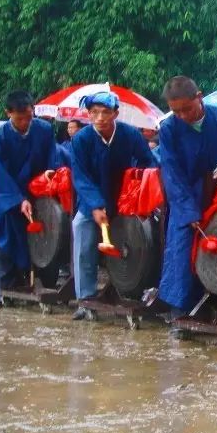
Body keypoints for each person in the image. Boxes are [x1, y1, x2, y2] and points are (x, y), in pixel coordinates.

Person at [154, 76, 217, 318]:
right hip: (186, 197)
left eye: (187, 108)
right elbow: (172, 174)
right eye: (176, 111)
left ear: (199, 96)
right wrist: (187, 211)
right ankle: (180, 313)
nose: (183, 115)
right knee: (182, 249)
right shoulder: (169, 129)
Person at [67, 90, 156, 320]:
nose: (99, 118)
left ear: (116, 113)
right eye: (94, 112)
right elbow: (81, 177)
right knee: (82, 238)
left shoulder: (130, 135)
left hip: (123, 199)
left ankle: (129, 290)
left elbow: (148, 163)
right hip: (90, 202)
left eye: (105, 112)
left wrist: (137, 187)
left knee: (135, 244)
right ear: (88, 114)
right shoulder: (81, 139)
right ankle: (85, 300)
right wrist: (95, 205)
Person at [0, 90, 64, 308]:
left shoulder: (44, 129)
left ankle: (48, 287)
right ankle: (2, 291)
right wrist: (19, 200)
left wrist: (50, 178)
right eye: (19, 118)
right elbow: (0, 175)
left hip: (41, 191)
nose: (24, 122)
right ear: (8, 113)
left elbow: (52, 160)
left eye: (28, 116)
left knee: (48, 239)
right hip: (9, 196)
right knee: (6, 241)